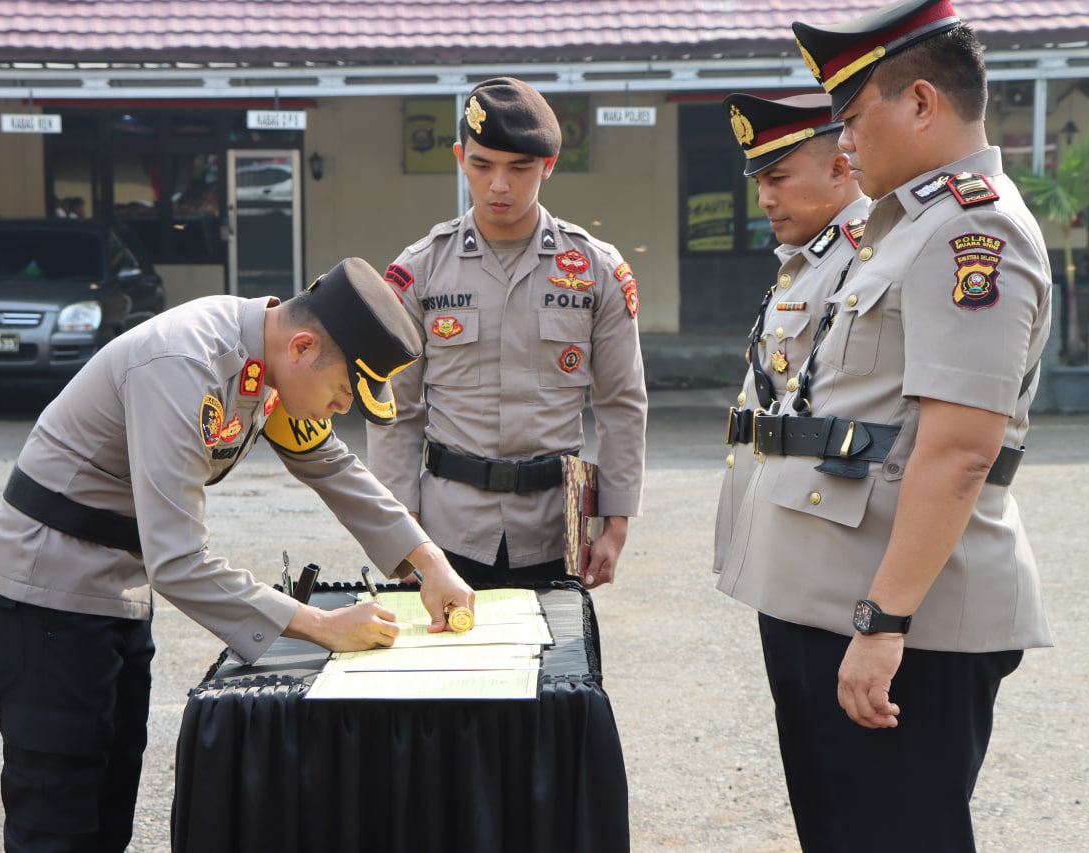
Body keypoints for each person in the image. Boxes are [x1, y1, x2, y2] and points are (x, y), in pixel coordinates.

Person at [0, 257, 474, 852]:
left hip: (116, 587)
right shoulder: (186, 365)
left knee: (108, 809)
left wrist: (431, 564)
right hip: (46, 586)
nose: (341, 410)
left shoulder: (268, 362)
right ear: (305, 346)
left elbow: (332, 465)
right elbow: (179, 561)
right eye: (343, 392)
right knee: (57, 815)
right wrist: (321, 626)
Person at [716, 1, 1052, 850]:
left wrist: (883, 621)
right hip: (843, 599)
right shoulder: (907, 226)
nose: (847, 143)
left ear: (923, 104)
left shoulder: (971, 228)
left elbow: (960, 451)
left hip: (903, 620)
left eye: (856, 119)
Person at [367, 76, 648, 589]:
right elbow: (394, 411)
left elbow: (621, 403)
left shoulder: (595, 270)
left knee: (555, 667)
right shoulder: (420, 271)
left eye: (519, 168)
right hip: (446, 530)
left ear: (547, 166)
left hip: (556, 527)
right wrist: (400, 530)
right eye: (482, 165)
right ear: (459, 158)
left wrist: (617, 522)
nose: (500, 184)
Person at [713, 92, 869, 573]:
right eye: (760, 182)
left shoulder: (864, 257)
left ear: (840, 169)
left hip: (823, 534)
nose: (764, 199)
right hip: (784, 517)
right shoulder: (811, 258)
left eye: (778, 178)